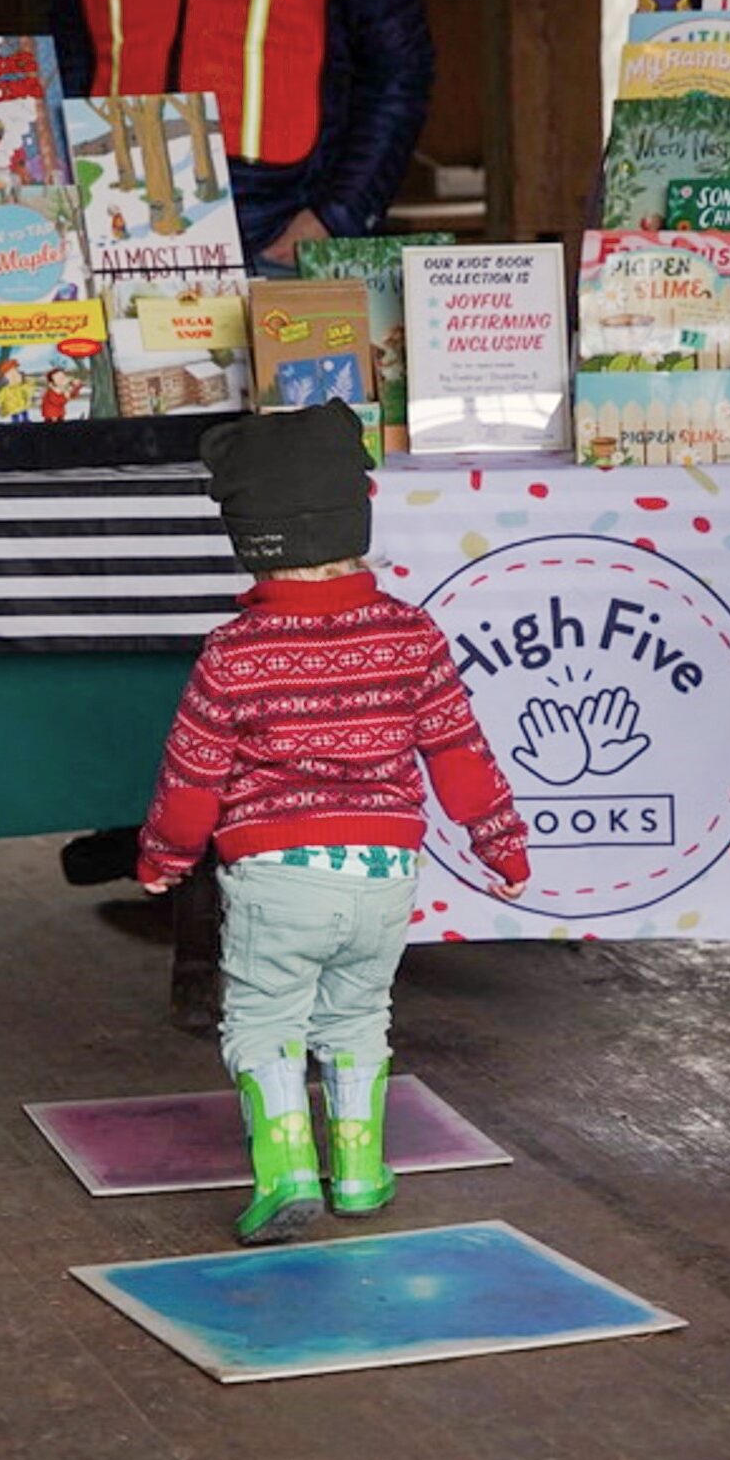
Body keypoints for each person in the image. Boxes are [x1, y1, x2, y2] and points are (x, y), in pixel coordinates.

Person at [136, 401, 530, 1244]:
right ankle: (358, 1172)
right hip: (385, 874)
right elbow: (459, 746)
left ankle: (284, 1172)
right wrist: (499, 838)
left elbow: (193, 774)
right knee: (357, 1015)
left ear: (250, 538)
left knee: (265, 1018)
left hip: (278, 874)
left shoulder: (234, 652)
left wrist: (164, 855)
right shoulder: (410, 632)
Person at [50, 0, 435, 268]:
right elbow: (69, 61)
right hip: (119, 229)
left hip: (277, 236)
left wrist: (336, 216)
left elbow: (399, 74)